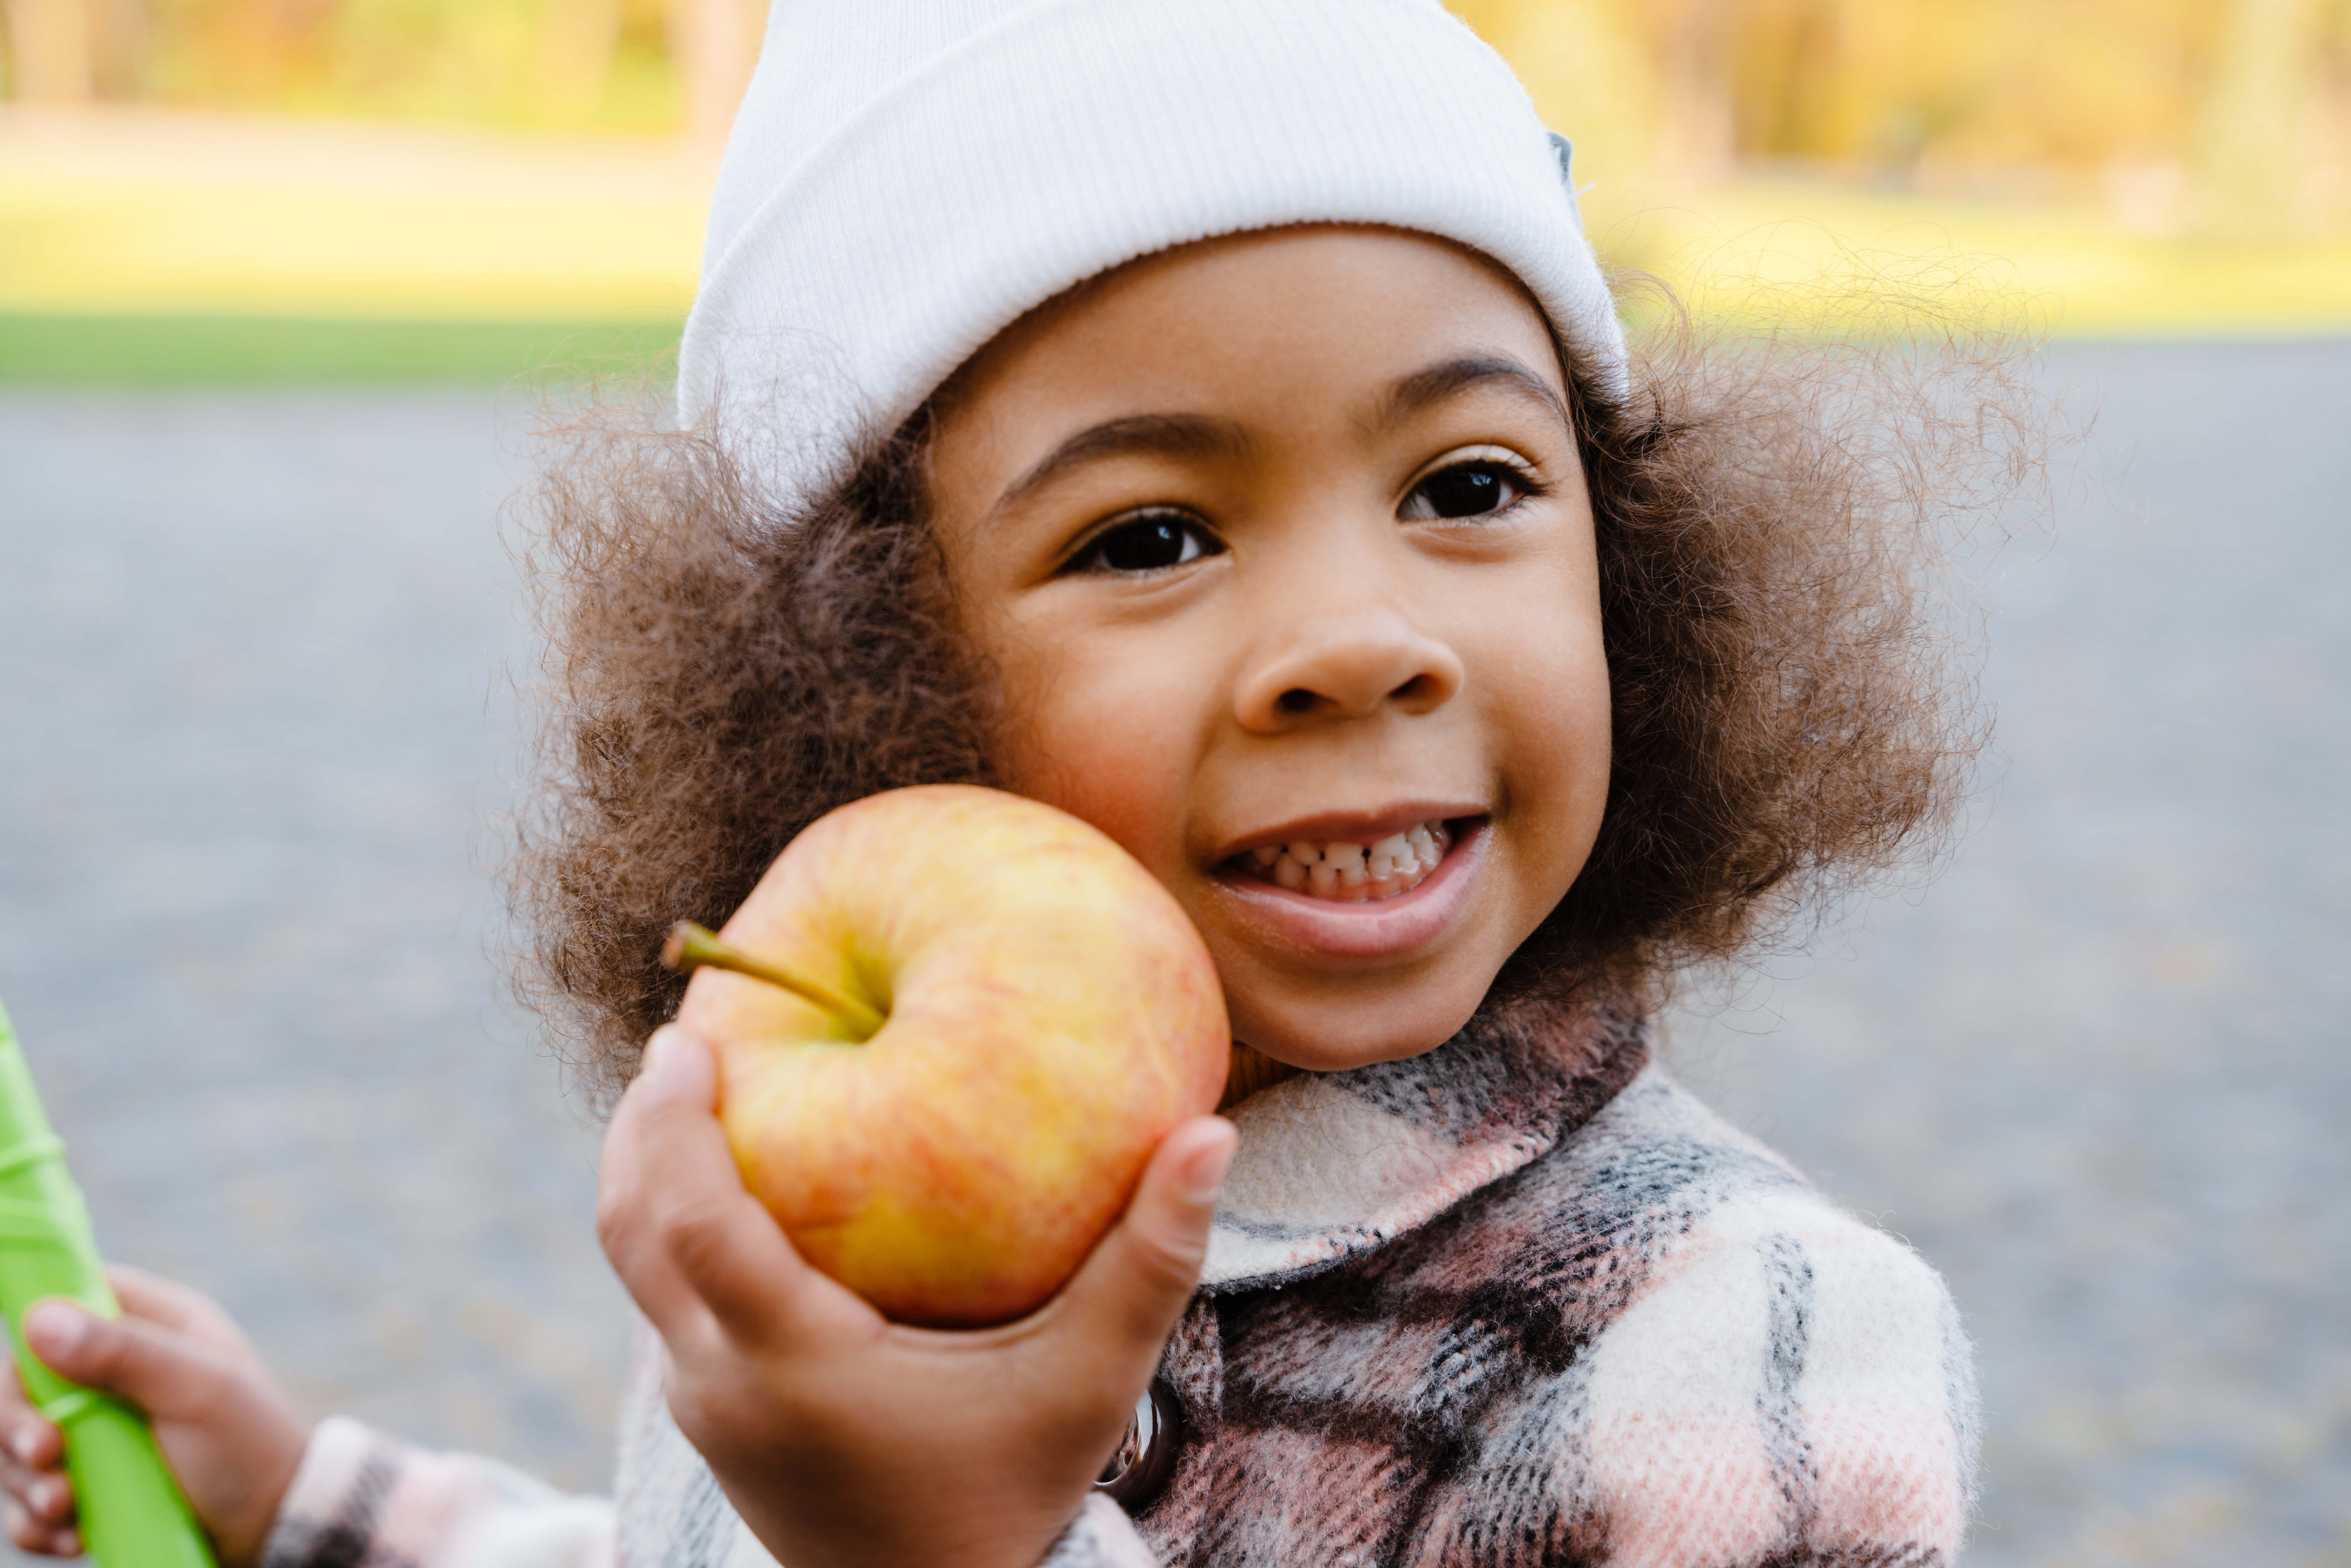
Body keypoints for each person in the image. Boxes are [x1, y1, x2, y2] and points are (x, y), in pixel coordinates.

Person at [1, 1, 2045, 1563]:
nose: (1362, 633)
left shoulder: (1728, 1344)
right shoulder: (823, 1194)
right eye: (1151, 535)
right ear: (860, 681)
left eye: (1471, 484)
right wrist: (310, 1505)